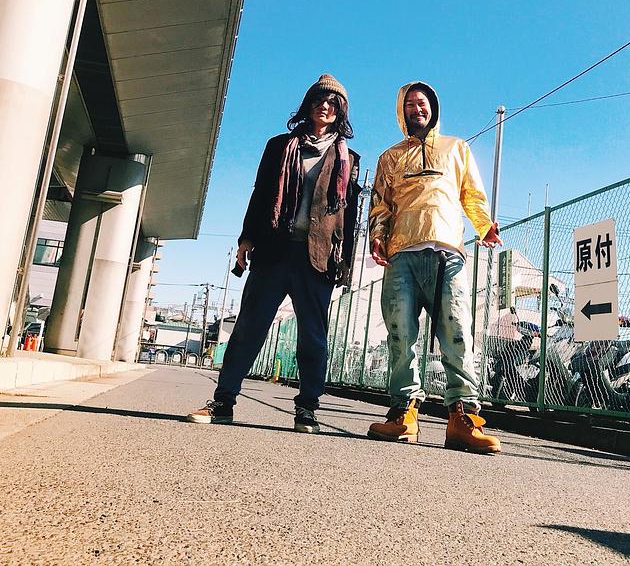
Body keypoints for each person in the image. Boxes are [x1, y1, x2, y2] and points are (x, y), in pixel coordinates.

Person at [187, 75, 360, 432]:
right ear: (308, 104)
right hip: (273, 250)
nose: (325, 106)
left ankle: (307, 409)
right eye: (319, 99)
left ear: (341, 111)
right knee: (248, 329)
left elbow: (350, 215)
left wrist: (346, 262)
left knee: (313, 337)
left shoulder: (349, 158)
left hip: (318, 258)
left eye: (333, 102)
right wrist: (246, 239)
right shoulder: (279, 146)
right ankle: (223, 401)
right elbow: (261, 193)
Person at [365, 81, 503, 453]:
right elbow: (381, 203)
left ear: (433, 108)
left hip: (448, 253)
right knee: (400, 334)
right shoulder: (390, 157)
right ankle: (403, 414)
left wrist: (484, 225)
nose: (417, 108)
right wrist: (377, 235)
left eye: (422, 102)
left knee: (457, 332)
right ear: (402, 112)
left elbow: (471, 193)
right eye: (409, 104)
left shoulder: (456, 148)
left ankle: (462, 418)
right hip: (402, 254)